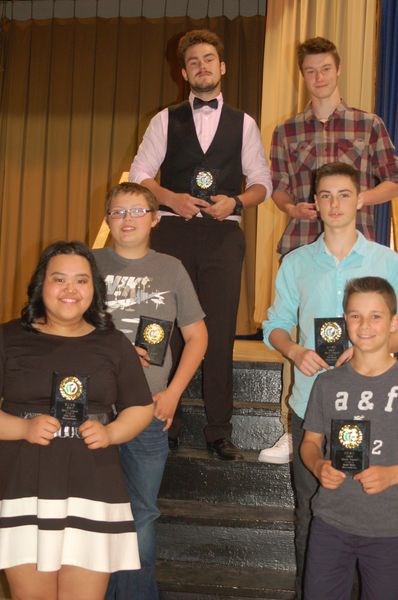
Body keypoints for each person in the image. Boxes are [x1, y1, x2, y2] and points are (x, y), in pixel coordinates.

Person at [130, 28, 272, 460]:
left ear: (222, 67)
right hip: (171, 230)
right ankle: (160, 421)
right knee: (161, 328)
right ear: (184, 72)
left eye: (209, 59)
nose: (202, 67)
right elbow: (139, 174)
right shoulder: (164, 119)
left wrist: (237, 200)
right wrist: (170, 198)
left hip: (224, 234)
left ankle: (218, 429)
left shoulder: (244, 122)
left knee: (220, 331)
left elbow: (263, 183)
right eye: (194, 62)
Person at [262, 162, 398, 598]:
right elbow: (275, 325)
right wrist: (295, 350)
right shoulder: (296, 263)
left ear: (359, 200)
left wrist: (376, 350)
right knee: (316, 516)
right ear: (314, 203)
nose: (335, 203)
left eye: (344, 194)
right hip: (314, 408)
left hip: (384, 410)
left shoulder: (387, 261)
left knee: (381, 521)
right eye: (326, 195)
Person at [260, 35, 398, 465]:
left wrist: (354, 200)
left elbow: (392, 180)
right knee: (302, 332)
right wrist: (295, 206)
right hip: (304, 242)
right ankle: (295, 426)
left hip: (355, 243)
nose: (318, 77)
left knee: (361, 329)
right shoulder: (286, 130)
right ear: (302, 76)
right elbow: (277, 190)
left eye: (325, 69)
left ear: (337, 71)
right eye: (310, 71)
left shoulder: (368, 123)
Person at [0, 241, 154, 600]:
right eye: (59, 279)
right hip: (23, 487)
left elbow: (140, 407)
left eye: (81, 281)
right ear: (41, 286)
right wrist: (22, 427)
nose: (70, 289)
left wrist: (112, 432)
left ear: (94, 290)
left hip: (94, 487)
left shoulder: (114, 344)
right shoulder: (8, 338)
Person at [94, 181, 207, 600]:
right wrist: (113, 350)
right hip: (91, 411)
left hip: (147, 410)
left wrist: (174, 393)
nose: (127, 220)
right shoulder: (87, 264)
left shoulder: (172, 268)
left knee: (141, 514)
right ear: (106, 219)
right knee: (93, 514)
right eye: (118, 212)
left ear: (155, 219)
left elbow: (198, 336)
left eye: (137, 211)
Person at [301, 276, 398, 599]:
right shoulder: (327, 383)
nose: (365, 325)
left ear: (394, 322)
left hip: (390, 528)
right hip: (332, 523)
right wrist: (318, 467)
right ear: (345, 321)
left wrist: (391, 474)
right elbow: (310, 443)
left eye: (376, 316)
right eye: (355, 315)